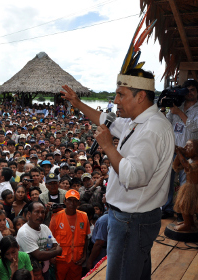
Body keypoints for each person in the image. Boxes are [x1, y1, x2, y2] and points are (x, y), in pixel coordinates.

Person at [61, 68, 175, 280]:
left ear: (140, 96)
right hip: (132, 219)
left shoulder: (152, 130)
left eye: (121, 94)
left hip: (131, 221)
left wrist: (108, 147)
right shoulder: (136, 121)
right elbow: (106, 119)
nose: (116, 100)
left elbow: (133, 177)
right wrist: (77, 103)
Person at [162, 79, 198, 219]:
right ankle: (167, 208)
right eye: (187, 90)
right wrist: (166, 109)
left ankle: (184, 213)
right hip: (172, 150)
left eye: (193, 90)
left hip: (189, 152)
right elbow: (167, 123)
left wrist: (179, 112)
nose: (189, 93)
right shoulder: (178, 105)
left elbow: (194, 127)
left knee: (186, 185)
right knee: (167, 182)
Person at [49, 190, 90, 280]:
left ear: (78, 203)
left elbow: (86, 238)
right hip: (60, 261)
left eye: (75, 200)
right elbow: (50, 238)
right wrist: (51, 256)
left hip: (77, 261)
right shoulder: (56, 217)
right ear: (64, 202)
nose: (72, 203)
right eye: (69, 200)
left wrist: (84, 256)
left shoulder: (84, 216)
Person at [16, 202, 62, 279]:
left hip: (45, 271)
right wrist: (56, 252)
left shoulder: (44, 228)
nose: (40, 215)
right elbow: (39, 255)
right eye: (37, 212)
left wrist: (48, 253)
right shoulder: (24, 232)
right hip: (31, 274)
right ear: (29, 214)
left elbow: (55, 245)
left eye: (42, 212)